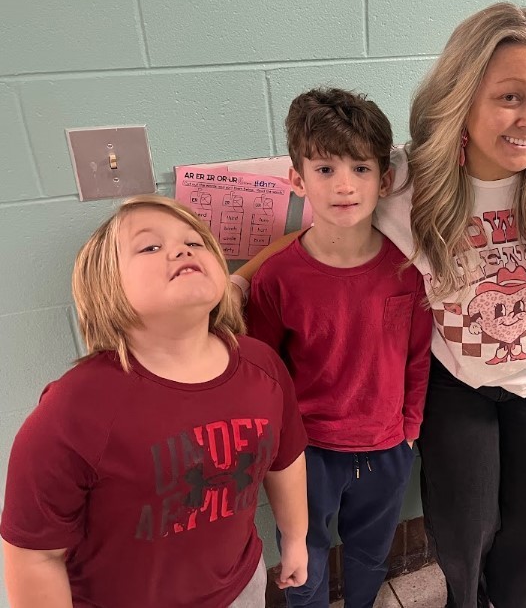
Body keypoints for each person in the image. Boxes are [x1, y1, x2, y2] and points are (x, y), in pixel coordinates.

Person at [233, 3, 526, 608]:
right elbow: (328, 230)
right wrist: (240, 281)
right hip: (456, 377)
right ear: (463, 94)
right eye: (510, 96)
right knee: (463, 531)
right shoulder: (412, 181)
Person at [1, 195, 308, 608]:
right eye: (150, 246)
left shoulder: (263, 367)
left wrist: (296, 539)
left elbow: (285, 461)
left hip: (241, 589)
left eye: (196, 242)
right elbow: (37, 555)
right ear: (106, 287)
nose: (182, 249)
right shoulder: (73, 411)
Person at [244, 88, 433, 608]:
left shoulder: (406, 271)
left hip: (387, 447)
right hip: (307, 453)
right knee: (303, 552)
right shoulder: (278, 279)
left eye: (361, 168)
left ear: (385, 179)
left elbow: (418, 358)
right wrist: (278, 450)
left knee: (371, 553)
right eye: (325, 169)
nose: (345, 185)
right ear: (298, 180)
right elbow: (262, 371)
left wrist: (410, 429)